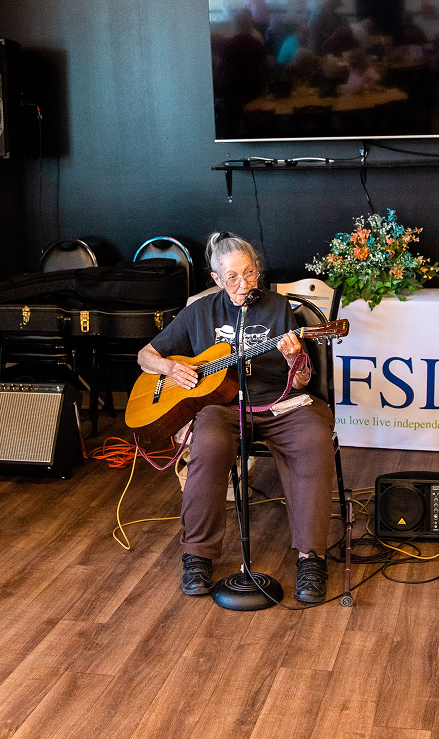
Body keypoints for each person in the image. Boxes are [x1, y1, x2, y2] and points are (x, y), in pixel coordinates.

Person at [137, 232, 336, 602]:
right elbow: (144, 356)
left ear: (258, 270)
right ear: (216, 278)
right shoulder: (199, 312)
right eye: (232, 277)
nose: (243, 284)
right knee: (207, 444)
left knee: (313, 440)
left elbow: (306, 378)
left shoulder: (280, 309)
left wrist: (296, 360)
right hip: (222, 408)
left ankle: (312, 558)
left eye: (249, 274)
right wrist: (169, 367)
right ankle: (197, 555)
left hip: (280, 404)